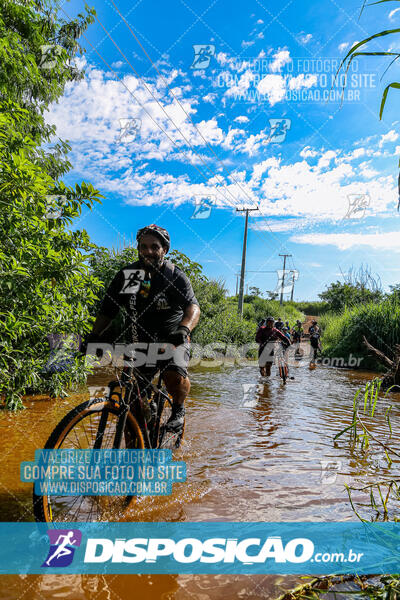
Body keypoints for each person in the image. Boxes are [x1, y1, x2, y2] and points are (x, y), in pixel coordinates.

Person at [84, 224, 201, 436]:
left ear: (164, 249)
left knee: (173, 374)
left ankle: (178, 409)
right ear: (138, 248)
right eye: (143, 246)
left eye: (154, 247)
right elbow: (108, 311)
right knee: (135, 412)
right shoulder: (131, 276)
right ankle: (138, 450)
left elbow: (193, 308)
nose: (148, 251)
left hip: (172, 339)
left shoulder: (173, 276)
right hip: (139, 342)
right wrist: (95, 337)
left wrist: (184, 328)